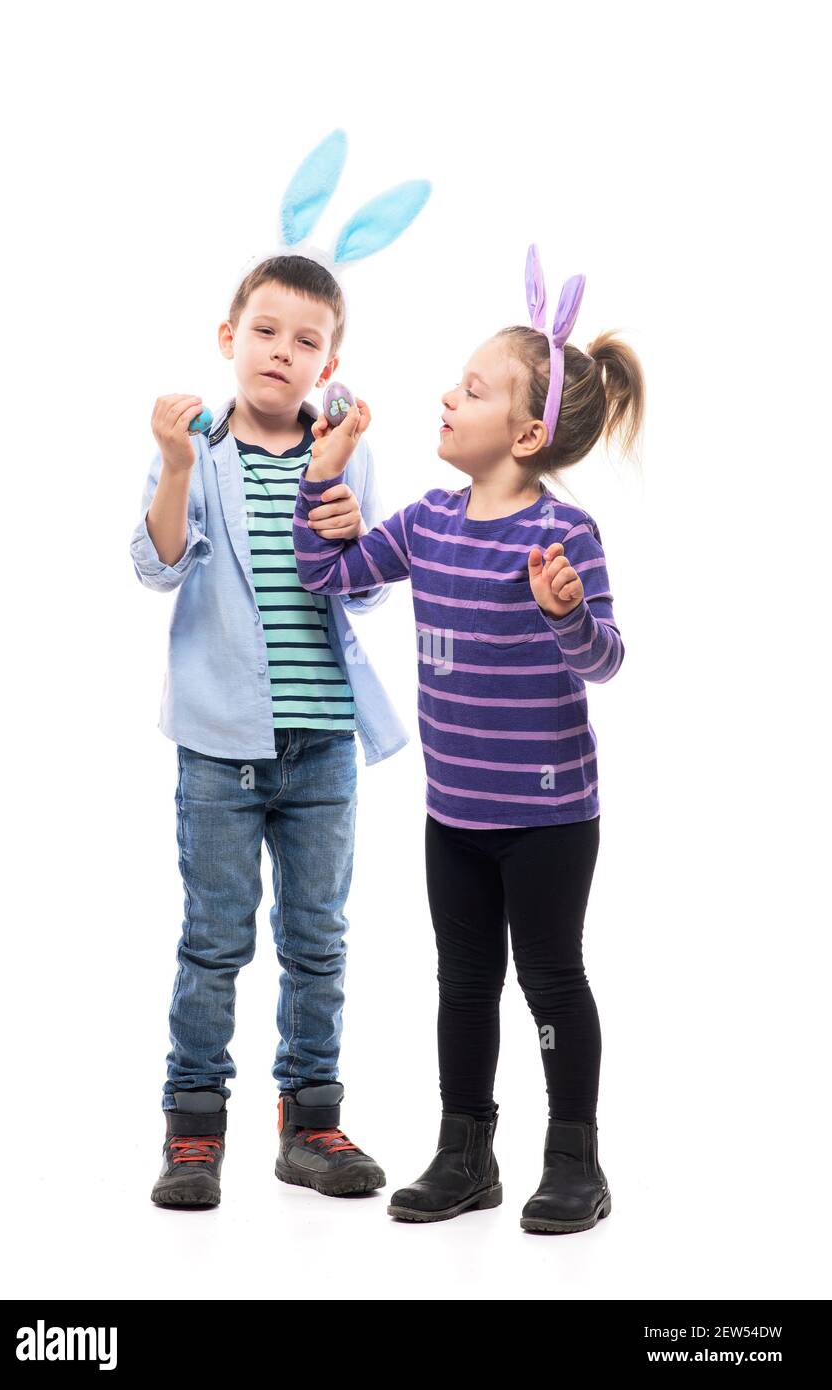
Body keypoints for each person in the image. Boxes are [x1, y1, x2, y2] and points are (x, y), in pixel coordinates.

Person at [293, 246, 645, 1232]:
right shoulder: (427, 522)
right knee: (461, 983)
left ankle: (573, 1159)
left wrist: (568, 616)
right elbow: (331, 576)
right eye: (457, 380)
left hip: (546, 815)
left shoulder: (563, 538)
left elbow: (605, 661)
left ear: (525, 431)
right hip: (453, 815)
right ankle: (464, 1153)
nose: (448, 396)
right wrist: (319, 480)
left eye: (474, 388)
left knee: (548, 978)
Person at [130, 129, 431, 1210]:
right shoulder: (198, 446)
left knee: (317, 940)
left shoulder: (336, 448)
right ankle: (191, 1129)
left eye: (307, 340)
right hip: (219, 745)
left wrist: (348, 533)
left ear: (327, 364)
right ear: (228, 335)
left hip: (321, 748)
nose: (281, 350)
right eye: (265, 328)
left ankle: (311, 1122)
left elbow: (368, 584)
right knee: (213, 942)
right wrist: (170, 467)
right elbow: (157, 565)